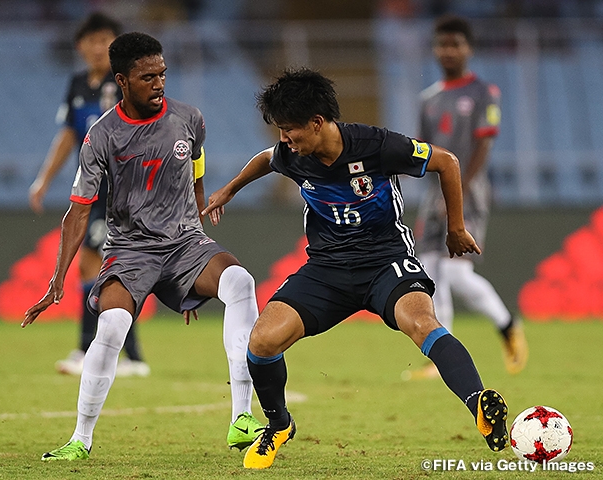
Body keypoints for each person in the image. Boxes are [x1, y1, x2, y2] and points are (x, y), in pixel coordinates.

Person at [202, 68, 510, 470]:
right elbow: (266, 160)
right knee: (260, 343)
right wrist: (230, 188)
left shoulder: (376, 145)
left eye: (289, 129)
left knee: (422, 323)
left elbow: (447, 162)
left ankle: (479, 408)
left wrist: (455, 227)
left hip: (386, 261)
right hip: (326, 269)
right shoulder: (292, 153)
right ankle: (278, 425)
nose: (283, 140)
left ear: (317, 123)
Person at [22, 31, 263, 461]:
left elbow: (196, 161)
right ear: (123, 80)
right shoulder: (102, 135)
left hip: (186, 244)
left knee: (241, 283)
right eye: (148, 77)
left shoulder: (190, 118)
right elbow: (78, 211)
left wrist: (199, 214)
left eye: (163, 74)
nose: (159, 83)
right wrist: (57, 280)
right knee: (112, 327)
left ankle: (241, 418)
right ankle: (80, 439)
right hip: (130, 251)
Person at [29, 12, 149, 377]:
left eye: (106, 41)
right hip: (93, 189)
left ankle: (88, 350)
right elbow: (68, 135)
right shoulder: (78, 84)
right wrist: (43, 180)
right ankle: (132, 357)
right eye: (92, 41)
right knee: (107, 268)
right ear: (81, 46)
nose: (99, 48)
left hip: (123, 191)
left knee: (95, 264)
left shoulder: (127, 84)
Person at [407, 15, 528, 380]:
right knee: (429, 270)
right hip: (433, 196)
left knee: (454, 272)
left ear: (468, 49)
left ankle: (508, 326)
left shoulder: (483, 93)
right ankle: (441, 355)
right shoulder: (428, 99)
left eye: (455, 44)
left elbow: (482, 147)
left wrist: (456, 191)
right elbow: (422, 151)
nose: (448, 51)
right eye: (442, 44)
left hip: (469, 191)